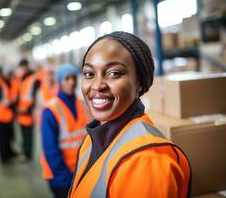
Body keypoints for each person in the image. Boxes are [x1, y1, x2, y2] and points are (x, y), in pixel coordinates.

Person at [68, 31, 191, 198]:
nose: (97, 86)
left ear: (139, 82)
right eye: (89, 74)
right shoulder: (92, 139)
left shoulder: (146, 161)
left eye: (113, 73)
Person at [40, 64, 89, 198]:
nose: (71, 82)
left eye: (73, 78)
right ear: (60, 82)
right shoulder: (51, 110)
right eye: (67, 79)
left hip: (80, 172)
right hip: (60, 176)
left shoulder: (82, 105)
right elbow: (50, 149)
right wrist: (65, 178)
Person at [17, 59, 40, 161]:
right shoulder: (23, 79)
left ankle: (28, 154)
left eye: (22, 67)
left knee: (28, 135)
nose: (21, 69)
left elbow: (35, 97)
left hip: (28, 112)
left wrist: (29, 109)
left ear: (26, 66)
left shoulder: (34, 79)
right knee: (23, 134)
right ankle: (25, 151)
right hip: (21, 112)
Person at [0, 67, 14, 163]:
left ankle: (9, 152)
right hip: (0, 115)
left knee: (8, 136)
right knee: (2, 138)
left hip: (6, 115)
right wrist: (10, 103)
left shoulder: (3, 82)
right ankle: (4, 157)